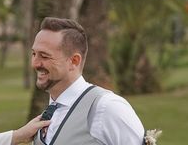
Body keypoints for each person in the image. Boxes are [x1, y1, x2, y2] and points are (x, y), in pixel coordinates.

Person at [30, 17, 145, 145]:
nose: (35, 64)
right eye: (34, 54)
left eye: (44, 56)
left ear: (74, 61)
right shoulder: (48, 113)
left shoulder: (106, 107)